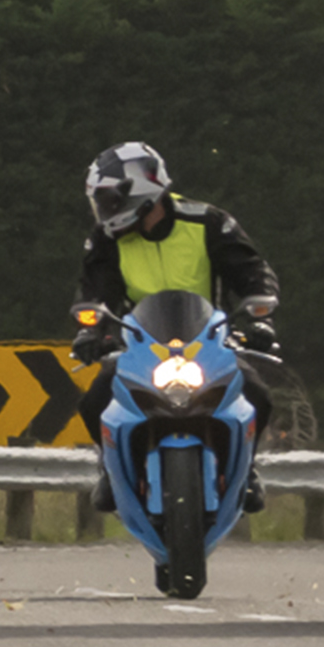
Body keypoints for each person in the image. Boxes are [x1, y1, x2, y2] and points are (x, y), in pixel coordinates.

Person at [71, 141, 280, 512]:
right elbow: (95, 292)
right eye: (99, 202)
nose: (104, 212)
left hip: (212, 341)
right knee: (95, 398)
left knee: (258, 393)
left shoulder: (208, 222)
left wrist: (258, 315)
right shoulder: (106, 239)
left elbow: (251, 271)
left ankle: (247, 470)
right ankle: (110, 470)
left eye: (110, 200)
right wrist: (92, 332)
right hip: (140, 344)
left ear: (143, 192)